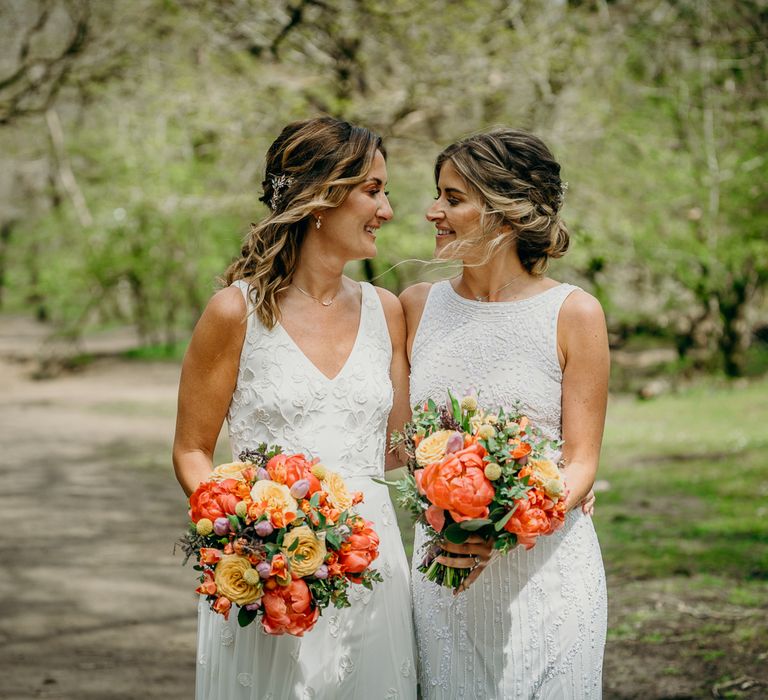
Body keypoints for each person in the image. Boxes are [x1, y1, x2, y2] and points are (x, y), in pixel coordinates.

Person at [173, 117, 417, 700]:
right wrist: (250, 540)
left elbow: (401, 449)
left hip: (373, 558)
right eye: (374, 190)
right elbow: (191, 449)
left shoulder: (387, 311)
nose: (387, 210)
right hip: (269, 571)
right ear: (321, 199)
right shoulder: (235, 312)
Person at [401, 128, 608, 699]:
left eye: (453, 198)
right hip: (444, 571)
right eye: (437, 195)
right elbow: (395, 445)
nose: (432, 211)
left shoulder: (574, 313)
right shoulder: (416, 307)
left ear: (507, 214)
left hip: (548, 569)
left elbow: (582, 462)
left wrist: (504, 525)